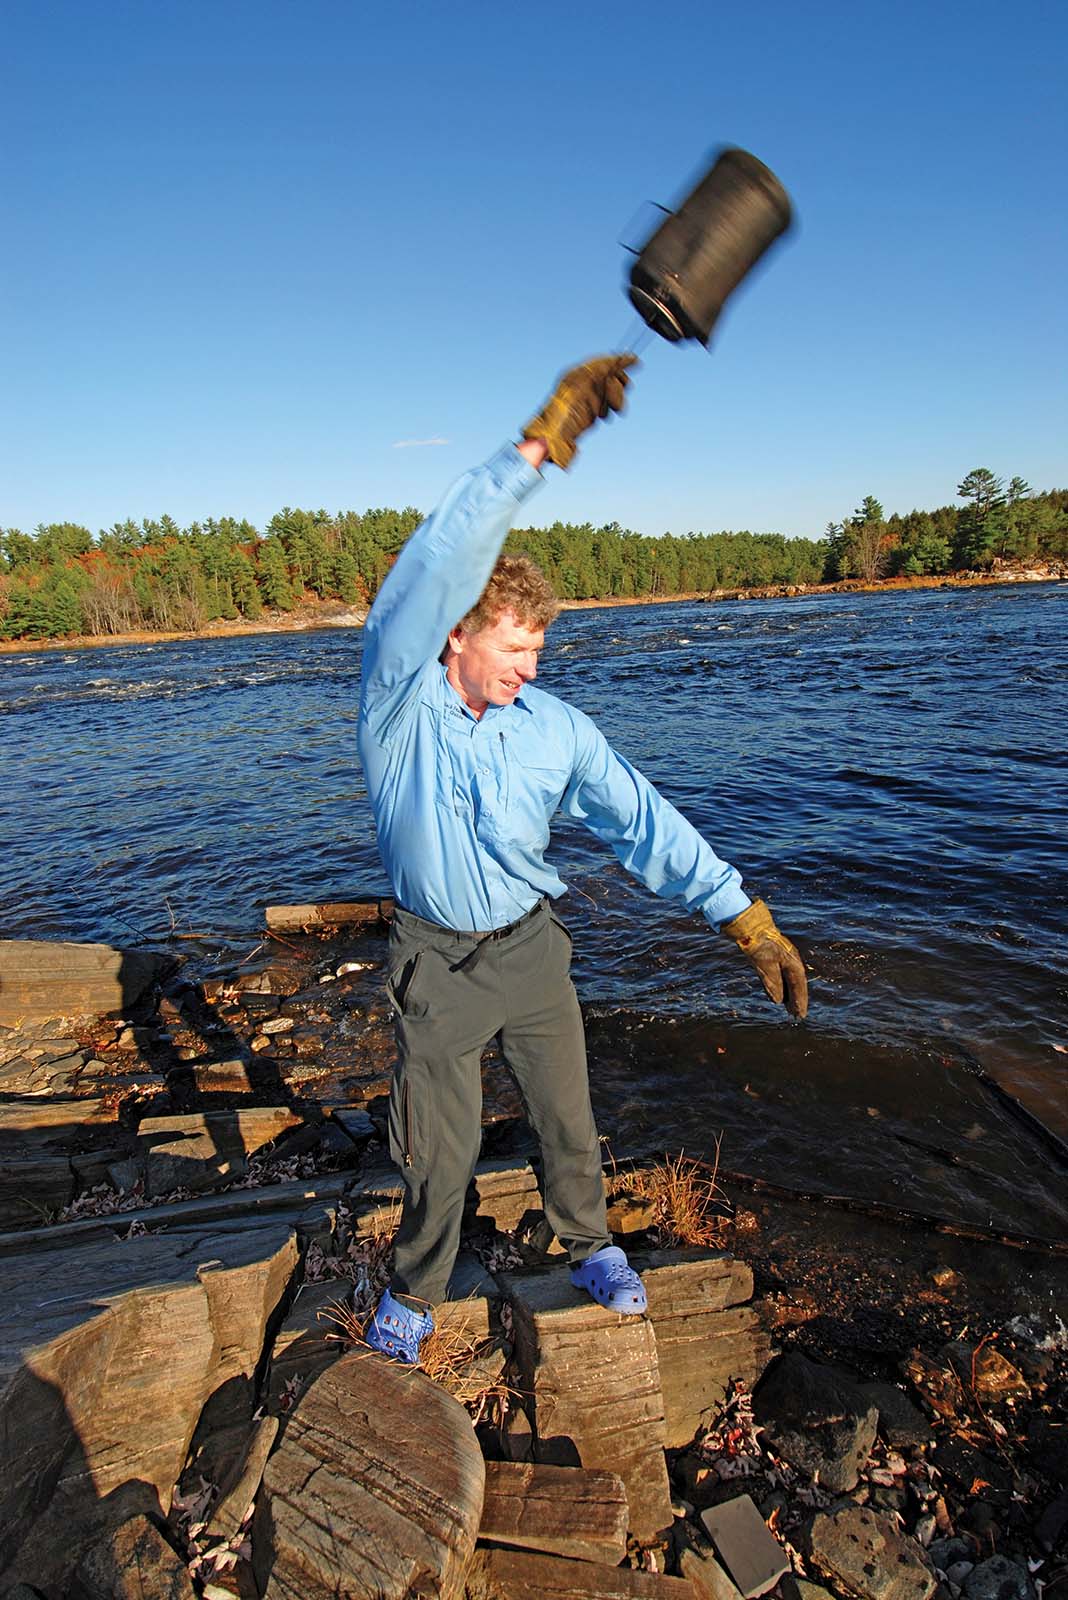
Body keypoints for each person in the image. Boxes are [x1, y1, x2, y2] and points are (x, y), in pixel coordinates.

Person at [356, 356, 807, 1363]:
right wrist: (533, 450)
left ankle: (590, 1240)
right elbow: (436, 559)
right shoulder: (397, 706)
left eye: (539, 653)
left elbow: (640, 818)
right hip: (433, 959)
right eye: (512, 648)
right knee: (437, 1145)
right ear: (456, 638)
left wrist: (742, 916)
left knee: (568, 1117)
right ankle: (418, 1288)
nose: (528, 668)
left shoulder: (556, 728)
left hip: (530, 951)